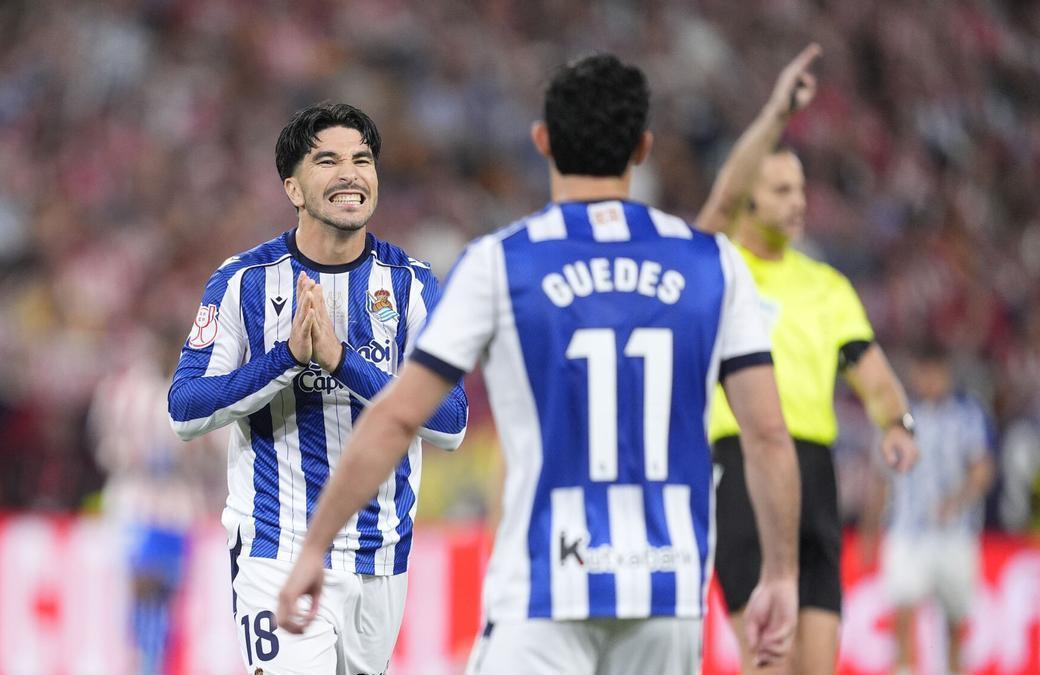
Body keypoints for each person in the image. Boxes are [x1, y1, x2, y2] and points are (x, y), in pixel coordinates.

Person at [278, 54, 803, 674]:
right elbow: (767, 434)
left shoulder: (503, 263)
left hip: (541, 590)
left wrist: (315, 546)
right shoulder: (713, 263)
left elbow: (397, 417)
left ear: (543, 142)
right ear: (642, 147)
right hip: (667, 593)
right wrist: (781, 574)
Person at [166, 102, 469, 675]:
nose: (350, 174)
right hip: (274, 545)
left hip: (380, 552)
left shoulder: (410, 287)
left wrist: (339, 360)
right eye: (327, 161)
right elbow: (185, 410)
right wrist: (286, 359)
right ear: (294, 189)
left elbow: (451, 422)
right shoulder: (243, 283)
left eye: (362, 159)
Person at [696, 44, 921, 674]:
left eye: (802, 187)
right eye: (781, 189)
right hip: (741, 469)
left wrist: (895, 423)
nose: (799, 201)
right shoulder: (719, 266)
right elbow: (715, 209)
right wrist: (775, 114)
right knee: (768, 664)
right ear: (749, 198)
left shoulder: (828, 286)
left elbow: (874, 377)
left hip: (814, 477)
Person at [90, 329, 223, 675]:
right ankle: (140, 663)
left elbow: (217, 452)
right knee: (140, 589)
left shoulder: (192, 389)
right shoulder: (125, 389)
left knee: (165, 594)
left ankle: (154, 664)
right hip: (139, 501)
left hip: (173, 505)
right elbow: (105, 446)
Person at [870, 344, 994, 675]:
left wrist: (959, 498)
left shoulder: (967, 414)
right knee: (903, 610)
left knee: (955, 619)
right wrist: (870, 529)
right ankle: (904, 669)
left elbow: (982, 467)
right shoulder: (900, 416)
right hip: (908, 530)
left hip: (955, 532)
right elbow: (881, 477)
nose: (929, 380)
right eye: (923, 372)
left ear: (946, 373)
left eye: (935, 372)